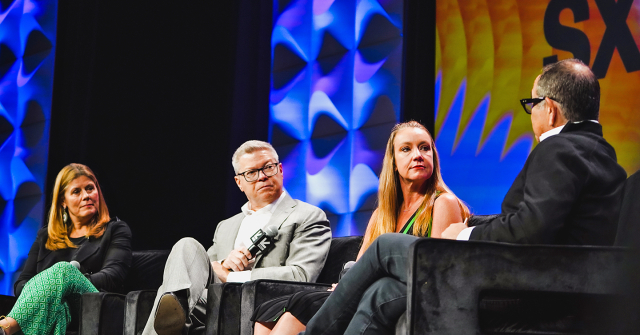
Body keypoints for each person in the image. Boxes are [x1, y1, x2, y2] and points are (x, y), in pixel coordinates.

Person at [299, 58, 627, 335]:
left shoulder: (559, 148)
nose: (532, 116)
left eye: (531, 105)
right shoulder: (604, 155)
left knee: (387, 245)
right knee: (383, 292)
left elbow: (532, 228)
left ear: (551, 110)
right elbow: (543, 223)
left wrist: (465, 233)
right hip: (553, 278)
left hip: (536, 285)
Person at [251, 121, 470, 335]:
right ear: (393, 162)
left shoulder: (442, 202)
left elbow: (437, 272)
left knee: (299, 308)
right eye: (406, 149)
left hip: (415, 288)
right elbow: (362, 266)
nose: (418, 155)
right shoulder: (382, 214)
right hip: (368, 289)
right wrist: (346, 285)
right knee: (269, 313)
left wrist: (350, 286)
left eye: (425, 148)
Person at [144, 140, 332, 335]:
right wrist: (224, 263)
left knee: (173, 300)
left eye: (268, 168)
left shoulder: (308, 216)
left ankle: (175, 318)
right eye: (251, 173)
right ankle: (178, 311)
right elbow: (202, 270)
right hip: (212, 302)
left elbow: (301, 275)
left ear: (280, 170)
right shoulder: (226, 226)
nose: (262, 177)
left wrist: (232, 276)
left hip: (256, 303)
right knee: (186, 247)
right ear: (239, 182)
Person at [0, 163, 132, 335]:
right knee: (59, 310)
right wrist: (51, 292)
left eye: (90, 188)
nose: (86, 196)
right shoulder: (45, 236)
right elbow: (21, 284)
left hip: (94, 303)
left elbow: (112, 276)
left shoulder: (116, 229)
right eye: (77, 191)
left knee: (64, 270)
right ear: (63, 201)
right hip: (59, 309)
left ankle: (5, 328)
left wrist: (68, 282)